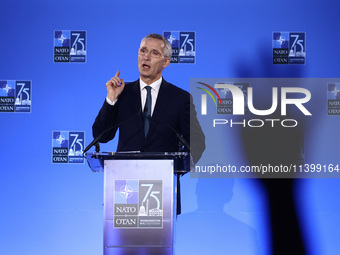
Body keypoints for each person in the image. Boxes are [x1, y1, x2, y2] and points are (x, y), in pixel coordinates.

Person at [92, 33, 205, 164]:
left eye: (154, 53)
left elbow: (197, 141)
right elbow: (101, 136)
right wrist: (111, 99)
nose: (146, 57)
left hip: (163, 178)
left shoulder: (180, 98)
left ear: (166, 61)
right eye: (143, 51)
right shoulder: (123, 93)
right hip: (125, 178)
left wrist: (176, 166)